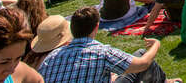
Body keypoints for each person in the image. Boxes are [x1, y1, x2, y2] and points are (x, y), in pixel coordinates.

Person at [39, 6, 178, 83]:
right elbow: (143, 64)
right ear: (96, 27)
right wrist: (156, 45)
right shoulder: (101, 53)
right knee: (142, 54)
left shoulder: (50, 59)